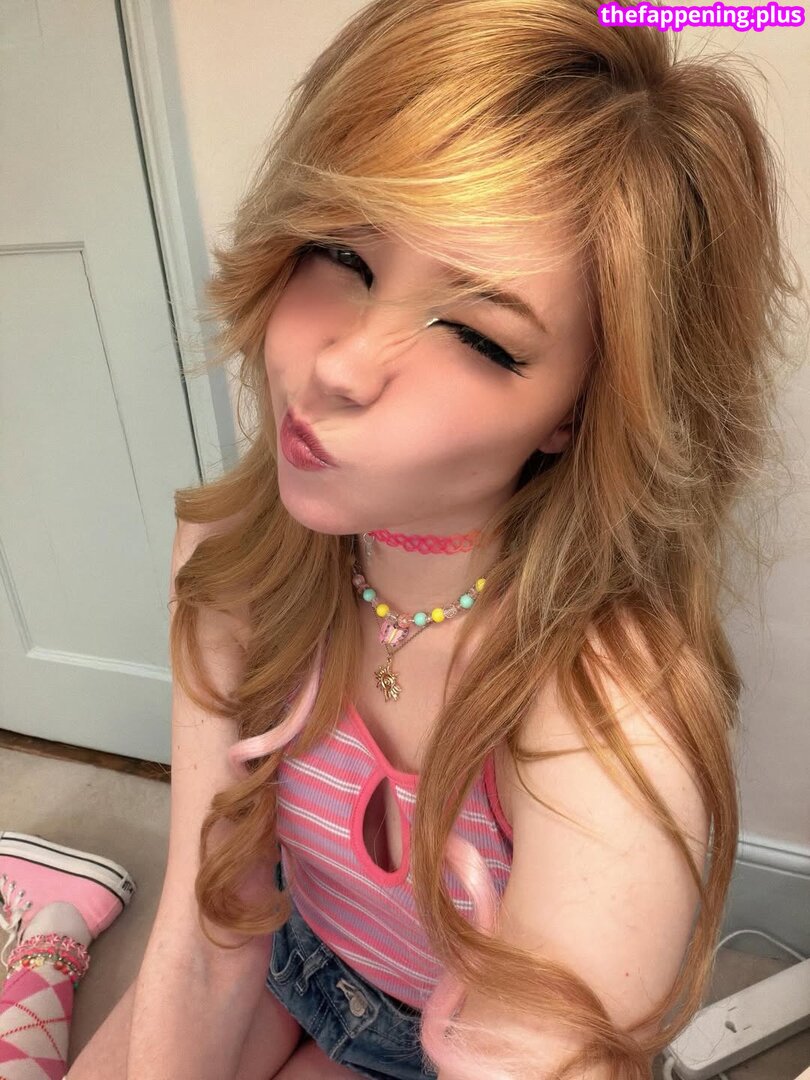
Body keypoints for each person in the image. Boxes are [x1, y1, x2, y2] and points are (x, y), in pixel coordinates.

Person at [0, 0, 805, 1077]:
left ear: (581, 411)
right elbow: (211, 924)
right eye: (340, 249)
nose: (341, 364)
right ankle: (53, 934)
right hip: (289, 955)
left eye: (475, 333)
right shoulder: (238, 556)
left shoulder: (603, 712)